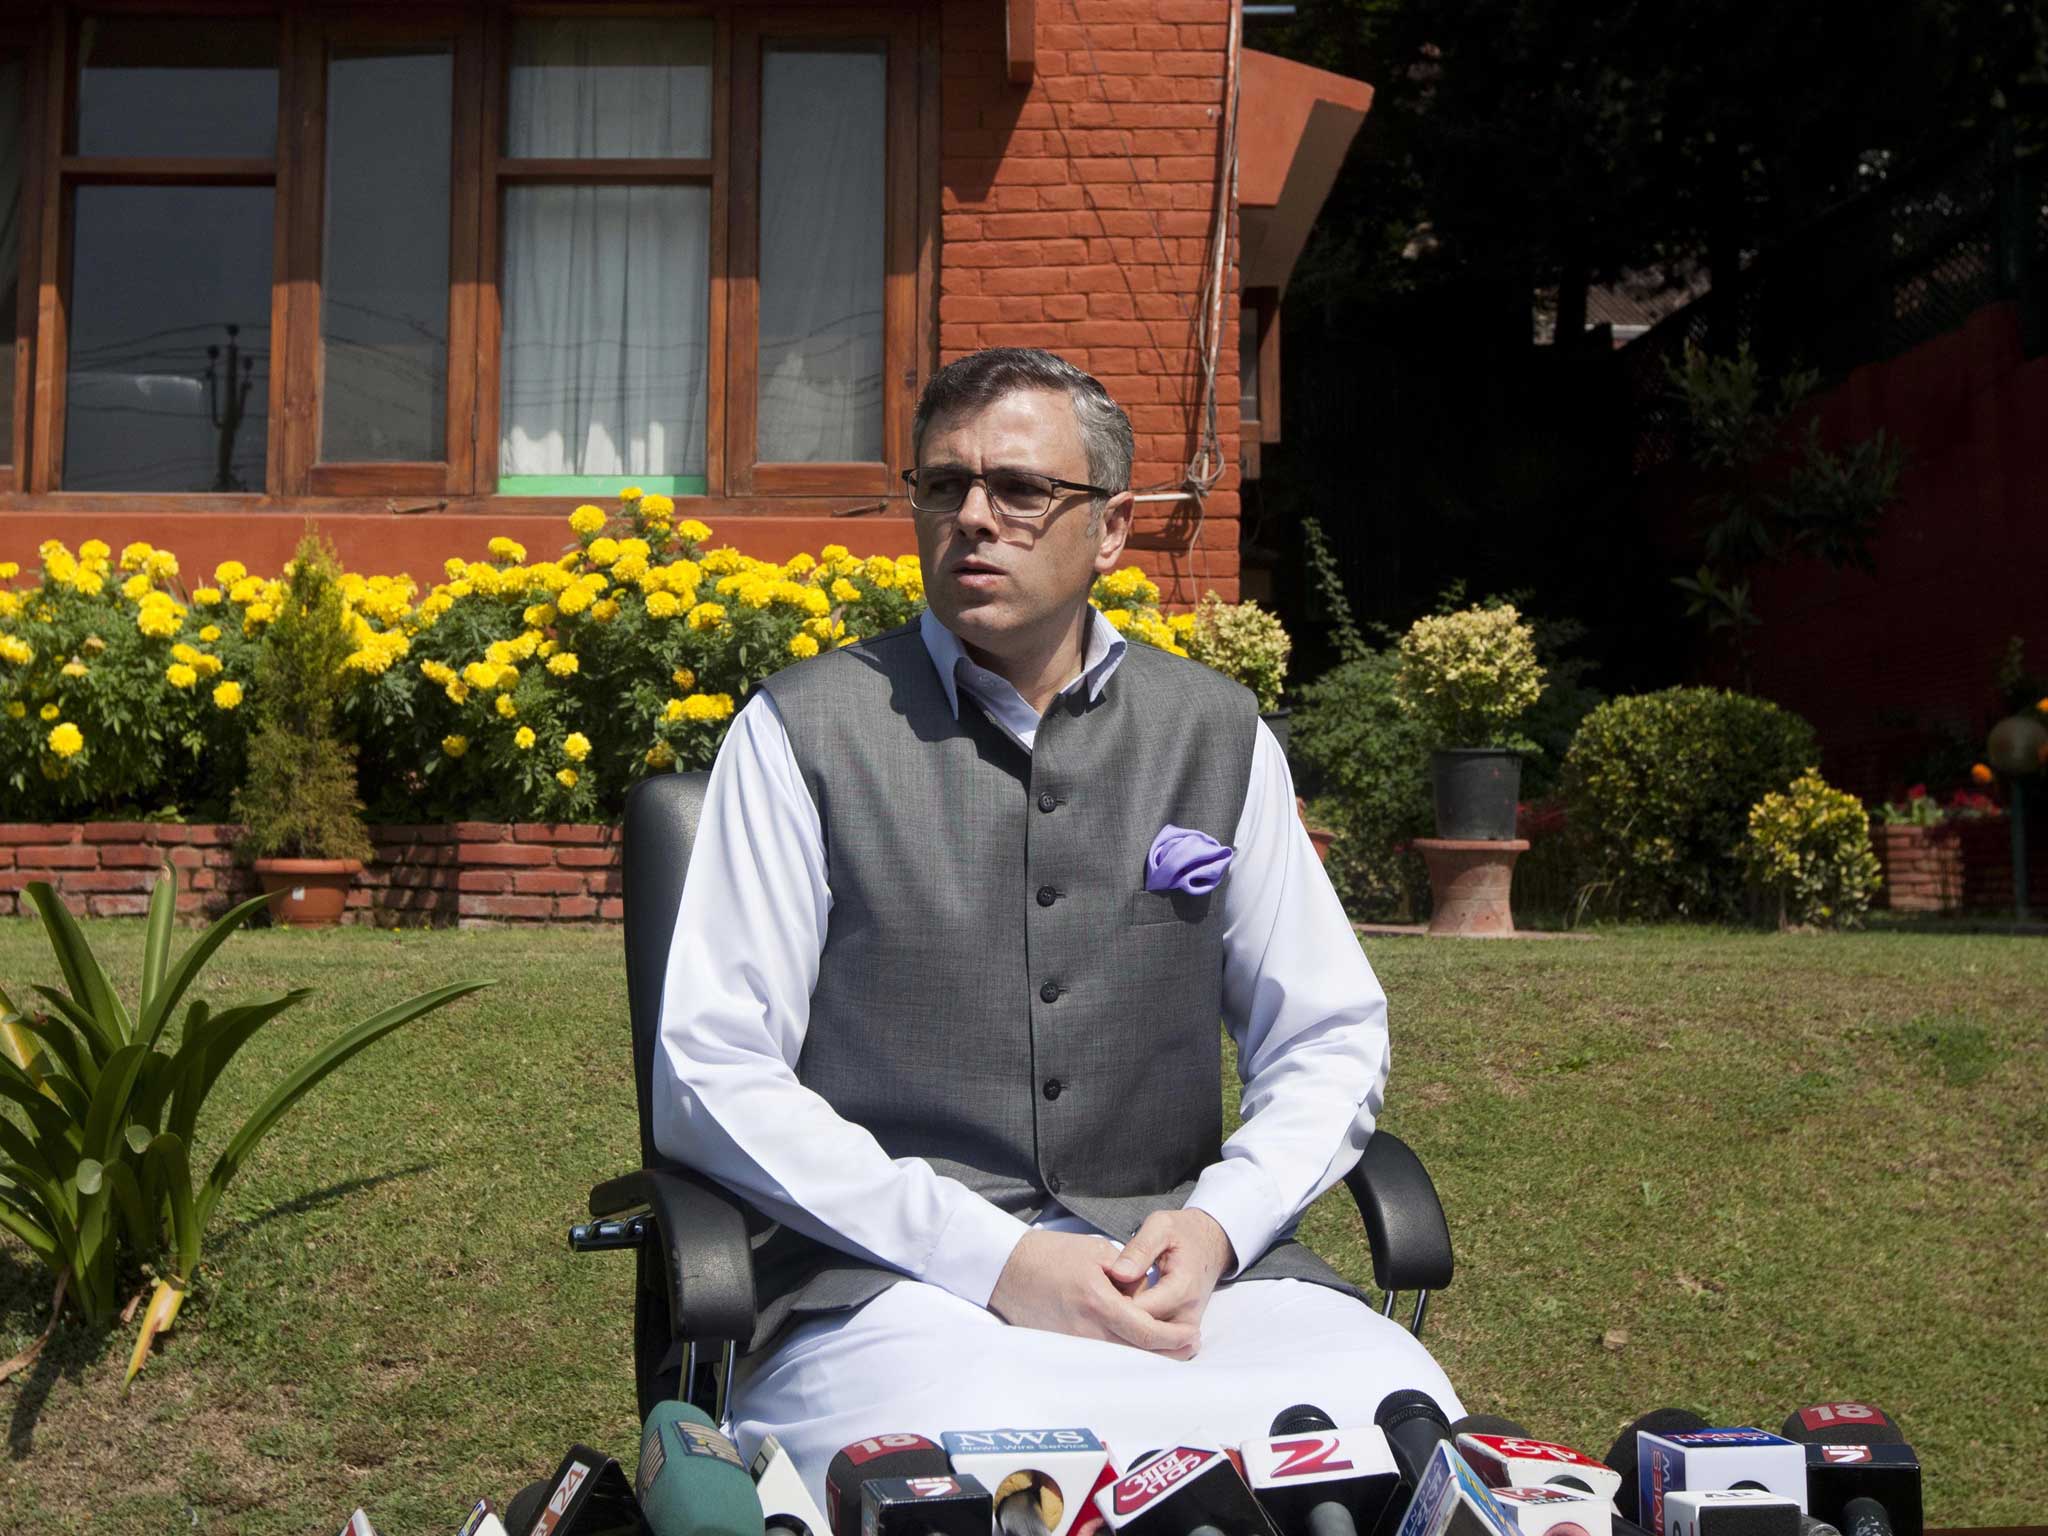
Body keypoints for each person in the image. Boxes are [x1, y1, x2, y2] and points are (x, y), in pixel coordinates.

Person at [654, 348, 1461, 1508]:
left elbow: (1328, 1032)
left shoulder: (1216, 734)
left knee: (1391, 1424)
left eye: (1019, 490)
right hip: (892, 1289)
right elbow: (711, 1069)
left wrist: (1221, 1227)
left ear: (1113, 528)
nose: (973, 518)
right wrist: (998, 1262)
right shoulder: (800, 735)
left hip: (1181, 1278)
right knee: (999, 1468)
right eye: (942, 487)